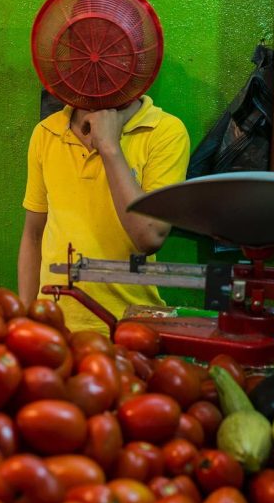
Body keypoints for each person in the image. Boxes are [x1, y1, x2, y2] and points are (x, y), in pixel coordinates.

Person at [17, 96, 190, 335]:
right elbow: (33, 234)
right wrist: (26, 318)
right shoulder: (47, 132)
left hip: (130, 328)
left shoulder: (164, 131)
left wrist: (109, 146)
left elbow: (150, 237)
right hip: (53, 328)